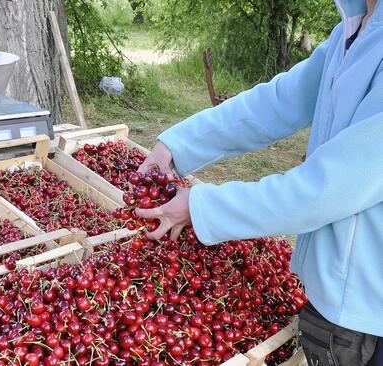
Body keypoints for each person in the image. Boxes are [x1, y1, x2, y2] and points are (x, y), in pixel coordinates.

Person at [135, 0, 383, 365]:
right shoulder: (354, 26)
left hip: (370, 307)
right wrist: (176, 145)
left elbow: (325, 189)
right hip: (335, 298)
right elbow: (278, 101)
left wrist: (201, 206)